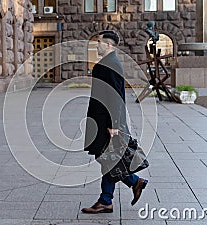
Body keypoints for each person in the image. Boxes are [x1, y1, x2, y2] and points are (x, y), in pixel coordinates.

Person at [82, 30, 148, 214]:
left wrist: (115, 125)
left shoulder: (110, 64)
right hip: (101, 120)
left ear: (109, 44)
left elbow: (116, 97)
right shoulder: (107, 63)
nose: (97, 45)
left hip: (107, 123)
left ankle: (107, 199)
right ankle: (133, 184)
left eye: (100, 42)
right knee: (106, 159)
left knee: (107, 159)